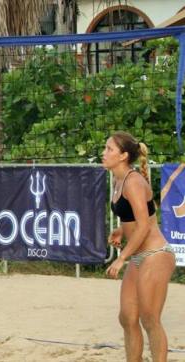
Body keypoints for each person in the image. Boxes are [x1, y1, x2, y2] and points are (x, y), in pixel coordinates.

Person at [103, 131, 175, 362]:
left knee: (149, 318)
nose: (104, 154)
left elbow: (144, 227)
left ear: (123, 156)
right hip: (139, 255)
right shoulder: (117, 180)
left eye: (109, 149)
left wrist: (121, 257)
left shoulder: (133, 182)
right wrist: (121, 230)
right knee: (127, 317)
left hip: (156, 254)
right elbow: (133, 219)